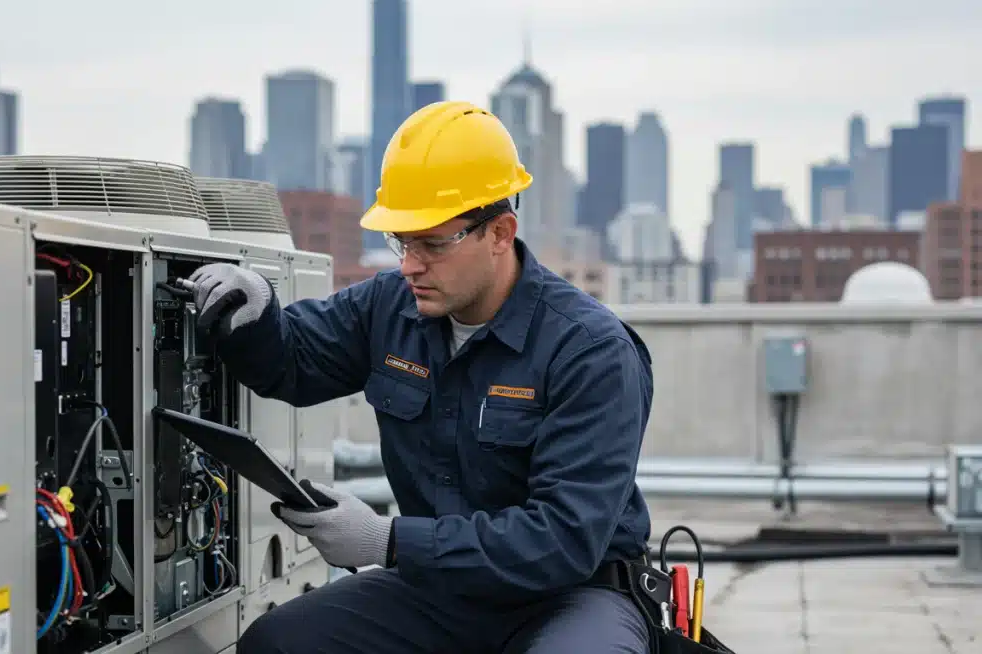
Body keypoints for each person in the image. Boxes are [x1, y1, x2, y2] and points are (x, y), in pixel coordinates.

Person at [186, 100, 655, 653]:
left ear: (500, 233)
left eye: (433, 243)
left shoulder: (590, 350)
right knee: (279, 644)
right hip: (442, 589)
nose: (410, 264)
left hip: (573, 594)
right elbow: (292, 361)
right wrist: (255, 312)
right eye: (403, 241)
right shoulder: (390, 306)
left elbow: (562, 539)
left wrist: (387, 541)